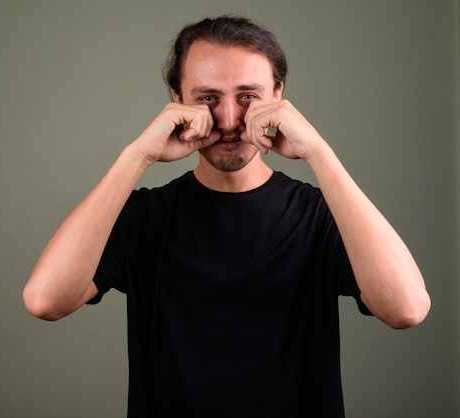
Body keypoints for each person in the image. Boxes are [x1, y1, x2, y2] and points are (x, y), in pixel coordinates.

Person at [23, 15, 430, 417]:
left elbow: (407, 309)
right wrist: (138, 156)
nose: (231, 119)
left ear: (278, 95)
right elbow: (45, 300)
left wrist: (318, 153)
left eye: (248, 96)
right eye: (208, 98)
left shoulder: (322, 216)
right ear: (177, 101)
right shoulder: (144, 218)